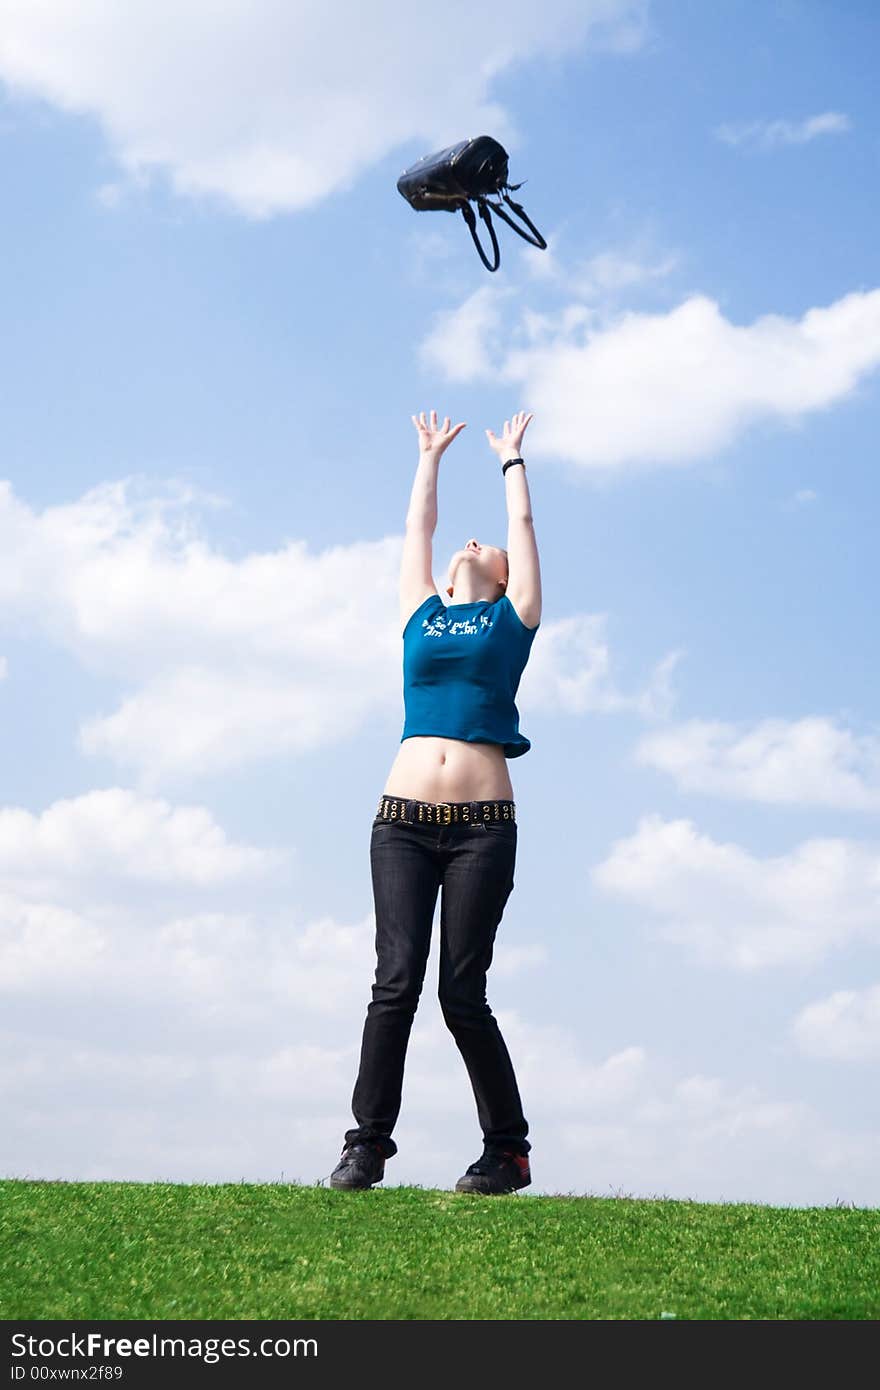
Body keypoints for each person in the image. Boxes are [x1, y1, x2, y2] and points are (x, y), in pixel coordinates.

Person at [330, 408, 542, 1195]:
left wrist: (511, 460)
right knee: (394, 983)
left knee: (461, 992)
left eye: (485, 546)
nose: (472, 542)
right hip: (403, 824)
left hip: (484, 826)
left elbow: (519, 524)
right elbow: (417, 530)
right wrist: (428, 459)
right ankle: (366, 1145)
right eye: (467, 542)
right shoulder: (420, 611)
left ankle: (507, 1151)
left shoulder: (513, 617)